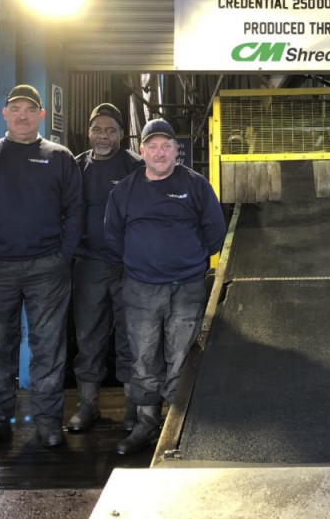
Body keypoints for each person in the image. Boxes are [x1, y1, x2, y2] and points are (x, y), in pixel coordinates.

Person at [0, 84, 85, 454]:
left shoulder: (60, 157)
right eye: (16, 108)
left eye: (30, 109)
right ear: (5, 113)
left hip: (48, 268)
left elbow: (76, 211)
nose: (23, 115)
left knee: (49, 347)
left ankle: (47, 422)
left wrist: (64, 256)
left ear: (41, 115)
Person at [104, 118, 226, 455]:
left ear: (176, 150)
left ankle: (179, 423)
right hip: (140, 287)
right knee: (143, 355)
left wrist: (191, 259)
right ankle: (146, 422)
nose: (160, 152)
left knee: (182, 354)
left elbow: (215, 230)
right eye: (153, 146)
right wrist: (139, 262)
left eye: (166, 146)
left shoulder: (196, 185)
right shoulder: (124, 190)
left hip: (186, 287)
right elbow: (112, 236)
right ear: (141, 151)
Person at [67, 103, 142, 433]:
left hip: (129, 267)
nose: (103, 135)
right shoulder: (75, 167)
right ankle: (88, 406)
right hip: (89, 266)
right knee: (88, 337)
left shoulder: (136, 167)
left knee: (131, 338)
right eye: (97, 128)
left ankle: (132, 409)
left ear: (122, 135)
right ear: (89, 132)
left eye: (111, 130)